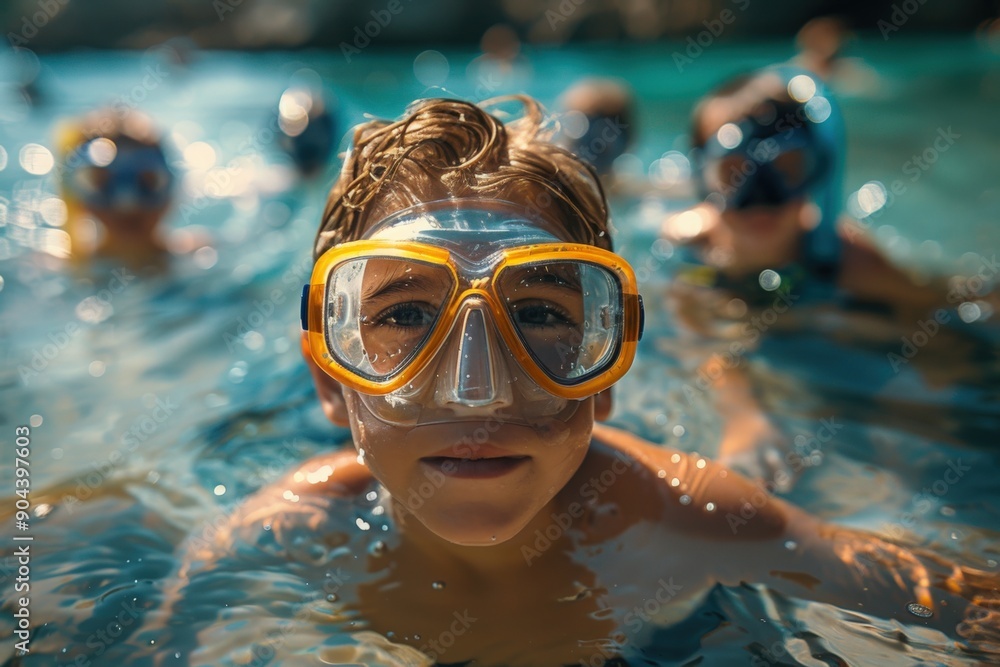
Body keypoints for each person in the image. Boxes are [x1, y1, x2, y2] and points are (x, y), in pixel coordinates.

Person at [162, 96, 998, 666]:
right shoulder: (275, 538)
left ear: (608, 371)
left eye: (543, 316)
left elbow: (965, 606)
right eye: (405, 317)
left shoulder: (688, 517)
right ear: (329, 381)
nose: (477, 390)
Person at [660, 66, 997, 478]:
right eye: (735, 174)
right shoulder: (690, 245)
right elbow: (701, 344)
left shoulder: (844, 259)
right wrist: (743, 418)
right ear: (700, 178)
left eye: (785, 169)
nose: (761, 197)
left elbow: (947, 303)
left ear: (818, 171)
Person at [55, 108, 176, 270]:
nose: (126, 204)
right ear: (76, 192)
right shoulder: (51, 266)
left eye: (145, 182)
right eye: (104, 183)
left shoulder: (203, 256)